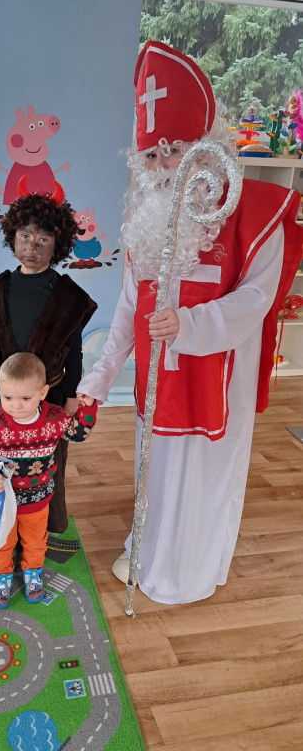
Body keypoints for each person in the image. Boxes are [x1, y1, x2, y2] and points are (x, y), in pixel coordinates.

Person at [78, 41, 302, 605]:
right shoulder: (145, 222)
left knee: (202, 475)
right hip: (160, 380)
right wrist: (98, 379)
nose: (163, 169)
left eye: (175, 151)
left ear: (209, 150)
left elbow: (256, 300)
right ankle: (148, 549)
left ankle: (190, 571)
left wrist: (190, 324)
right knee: (155, 468)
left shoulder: (255, 213)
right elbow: (130, 309)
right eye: (151, 156)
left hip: (217, 378)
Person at [0, 180, 97, 534]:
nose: (33, 246)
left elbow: (75, 351)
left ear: (57, 245)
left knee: (49, 462)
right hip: (3, 398)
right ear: (13, 237)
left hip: (49, 398)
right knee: (0, 461)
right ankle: (4, 525)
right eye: (26, 237)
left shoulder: (68, 297)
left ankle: (43, 526)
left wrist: (73, 397)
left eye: (44, 240)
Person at [0, 352, 97, 608]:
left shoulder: (54, 418)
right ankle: (1, 576)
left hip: (37, 500)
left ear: (43, 392)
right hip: (0, 500)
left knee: (36, 541)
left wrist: (88, 406)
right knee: (1, 542)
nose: (15, 405)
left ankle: (33, 572)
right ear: (0, 391)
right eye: (7, 397)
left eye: (25, 398)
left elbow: (78, 433)